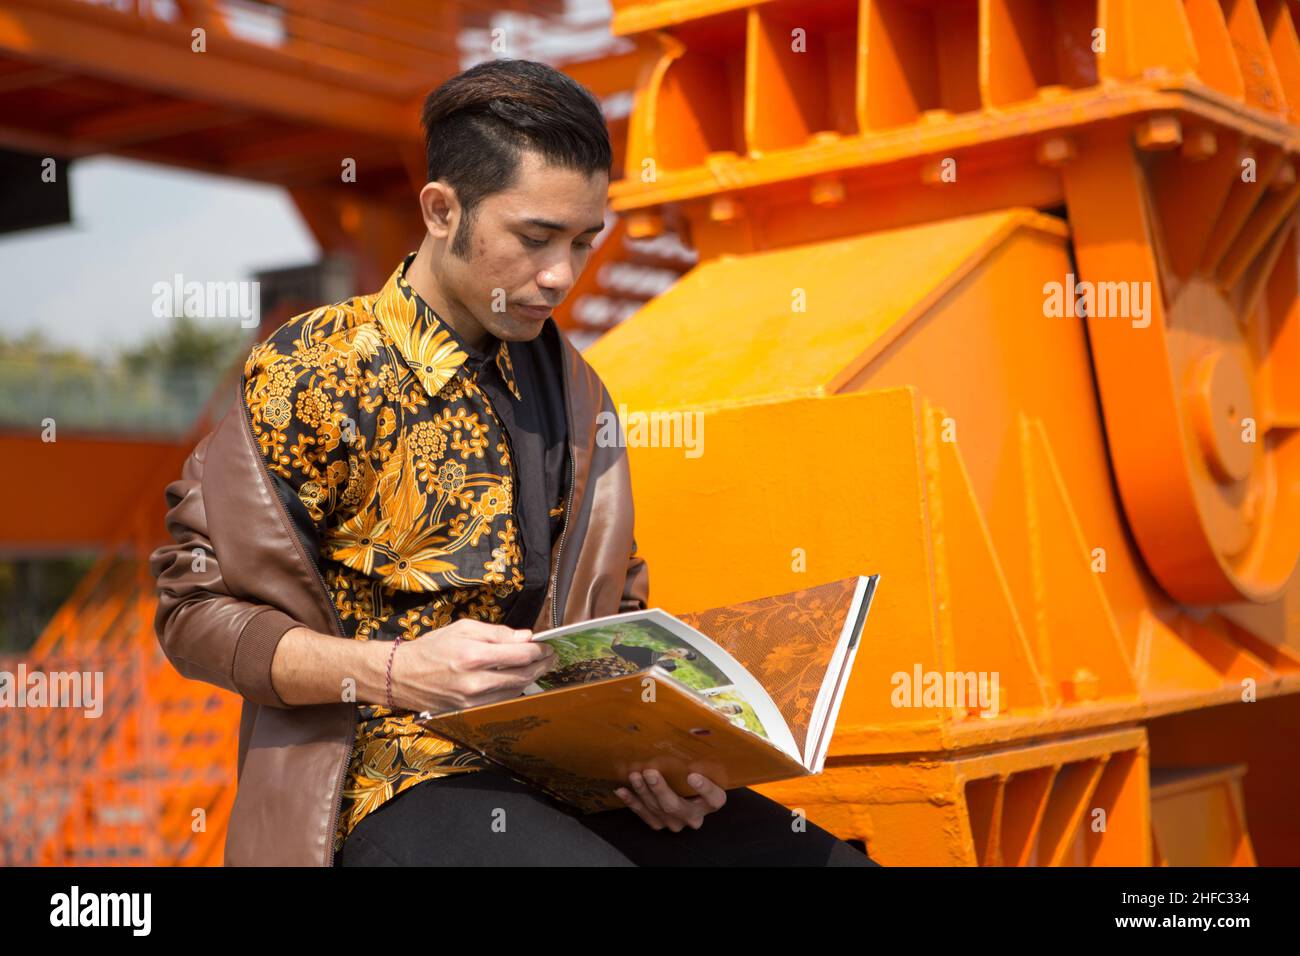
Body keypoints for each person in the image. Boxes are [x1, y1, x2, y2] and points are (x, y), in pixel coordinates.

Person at [150, 58, 877, 867]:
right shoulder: (314, 371)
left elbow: (616, 610)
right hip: (379, 778)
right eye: (535, 238)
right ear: (441, 210)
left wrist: (665, 756)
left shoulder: (578, 391)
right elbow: (192, 614)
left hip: (568, 767)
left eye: (581, 241)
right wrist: (394, 672)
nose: (561, 276)